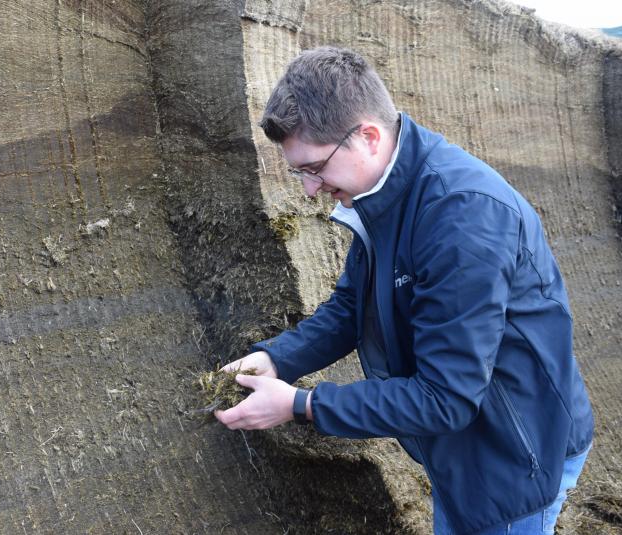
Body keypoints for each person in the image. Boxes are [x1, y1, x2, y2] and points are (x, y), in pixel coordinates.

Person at [215, 46, 594, 535]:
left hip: (515, 452)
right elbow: (354, 305)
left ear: (368, 137)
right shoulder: (385, 192)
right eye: (299, 173)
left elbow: (446, 398)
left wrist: (300, 404)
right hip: (465, 445)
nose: (309, 189)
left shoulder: (463, 218)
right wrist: (277, 360)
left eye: (313, 168)